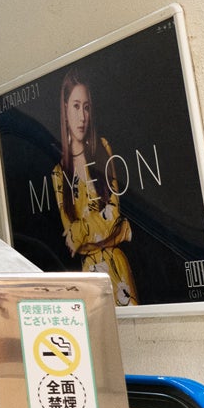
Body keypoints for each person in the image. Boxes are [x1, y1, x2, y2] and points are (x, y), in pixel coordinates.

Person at [50, 71, 139, 305]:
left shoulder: (102, 148)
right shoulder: (58, 174)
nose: (82, 117)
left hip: (118, 268)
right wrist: (119, 233)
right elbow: (73, 242)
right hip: (89, 276)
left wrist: (82, 231)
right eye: (76, 106)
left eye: (86, 107)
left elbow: (113, 214)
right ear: (65, 109)